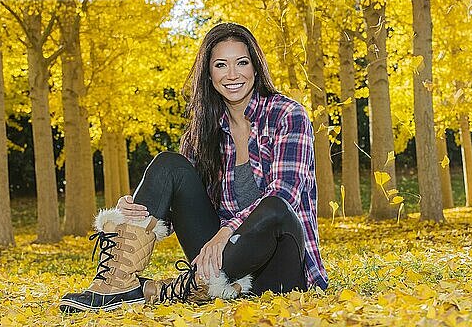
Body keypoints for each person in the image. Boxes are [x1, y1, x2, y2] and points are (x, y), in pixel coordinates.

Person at [59, 22, 328, 312]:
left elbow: (285, 194)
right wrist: (135, 209)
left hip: (279, 269)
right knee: (169, 165)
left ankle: (177, 288)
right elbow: (179, 212)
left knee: (274, 208)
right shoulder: (204, 131)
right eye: (221, 65)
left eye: (242, 63)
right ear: (209, 74)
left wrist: (225, 233)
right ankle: (116, 285)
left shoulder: (288, 114)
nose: (233, 74)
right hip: (221, 265)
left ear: (255, 67)